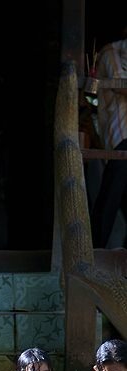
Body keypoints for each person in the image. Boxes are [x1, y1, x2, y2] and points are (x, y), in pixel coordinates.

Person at [90, 30, 127, 249]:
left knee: (117, 192)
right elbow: (118, 85)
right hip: (121, 131)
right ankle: (95, 251)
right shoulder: (113, 52)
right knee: (112, 192)